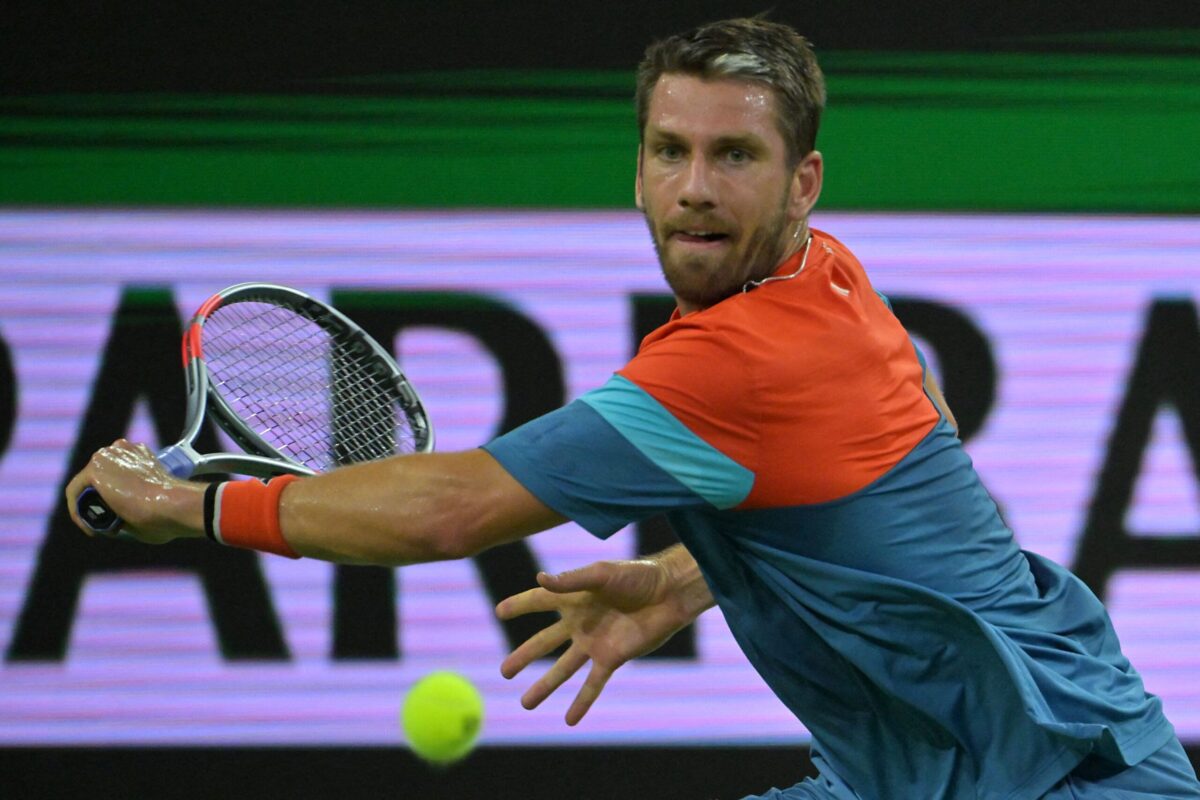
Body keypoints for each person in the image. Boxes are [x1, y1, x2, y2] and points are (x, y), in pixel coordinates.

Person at [66, 17, 1198, 800]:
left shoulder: (733, 361)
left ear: (803, 182)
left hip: (1066, 779)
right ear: (639, 167)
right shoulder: (828, 276)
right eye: (670, 151)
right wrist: (689, 579)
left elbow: (449, 511)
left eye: (734, 155)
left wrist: (192, 509)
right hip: (923, 771)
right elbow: (919, 426)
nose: (695, 187)